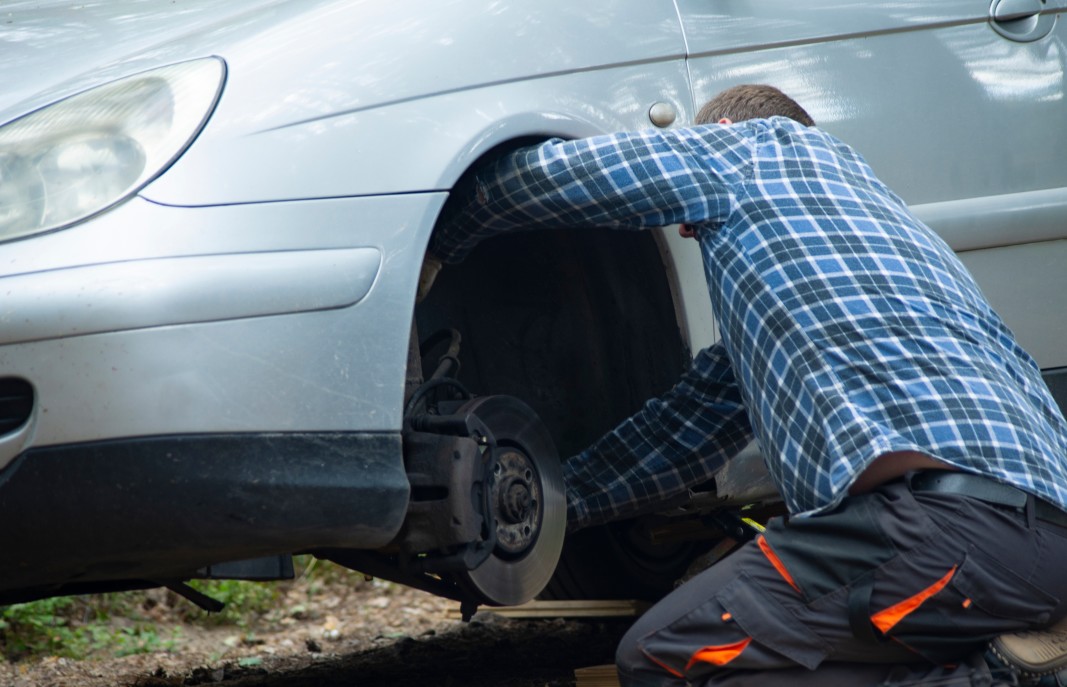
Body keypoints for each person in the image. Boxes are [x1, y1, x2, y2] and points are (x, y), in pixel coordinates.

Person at [424, 84, 1067, 686]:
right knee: (793, 662)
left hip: (944, 534)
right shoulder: (885, 242)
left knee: (661, 659)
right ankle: (996, 661)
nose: (686, 230)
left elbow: (548, 180)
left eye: (689, 222)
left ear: (722, 132)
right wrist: (553, 506)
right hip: (1039, 546)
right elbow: (683, 432)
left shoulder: (757, 146)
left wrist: (434, 233)